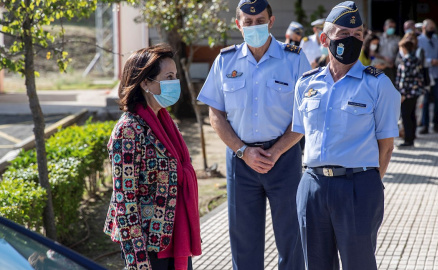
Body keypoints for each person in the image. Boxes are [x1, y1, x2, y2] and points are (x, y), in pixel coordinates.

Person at [197, 0, 311, 269]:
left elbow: (306, 113)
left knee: (292, 239)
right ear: (238, 24)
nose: (254, 26)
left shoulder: (294, 58)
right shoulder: (225, 60)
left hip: (283, 159)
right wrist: (243, 151)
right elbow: (215, 115)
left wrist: (279, 150)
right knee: (244, 241)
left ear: (271, 22)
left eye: (260, 20)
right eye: (247, 22)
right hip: (240, 161)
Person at [293, 1, 401, 269]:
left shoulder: (378, 84)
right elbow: (300, 134)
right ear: (324, 39)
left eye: (358, 35)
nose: (351, 40)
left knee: (359, 264)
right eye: (343, 34)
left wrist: (366, 185)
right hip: (312, 186)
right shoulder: (306, 83)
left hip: (357, 186)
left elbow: (386, 147)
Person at [103, 44, 201, 270]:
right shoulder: (128, 130)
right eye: (168, 77)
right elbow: (125, 201)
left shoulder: (166, 123)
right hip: (148, 248)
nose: (175, 82)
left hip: (176, 238)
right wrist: (138, 261)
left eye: (175, 76)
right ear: (145, 82)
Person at [418, 19, 438, 134]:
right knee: (425, 101)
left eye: (433, 28)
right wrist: (430, 61)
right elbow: (418, 57)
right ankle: (425, 125)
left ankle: (436, 124)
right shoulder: (419, 40)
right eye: (430, 28)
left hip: (437, 74)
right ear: (424, 28)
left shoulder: (436, 40)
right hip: (425, 75)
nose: (432, 30)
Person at [396, 36, 425, 147]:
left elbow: (404, 80)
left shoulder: (405, 61)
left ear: (404, 48)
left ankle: (408, 140)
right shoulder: (416, 59)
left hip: (407, 94)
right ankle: (412, 137)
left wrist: (402, 94)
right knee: (412, 115)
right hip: (416, 92)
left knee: (406, 116)